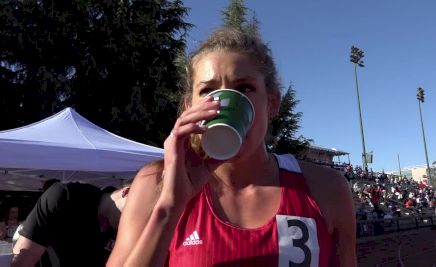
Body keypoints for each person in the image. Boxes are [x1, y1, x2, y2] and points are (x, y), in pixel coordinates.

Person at [107, 27, 356, 267]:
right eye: (208, 91)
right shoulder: (154, 184)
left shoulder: (327, 188)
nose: (224, 105)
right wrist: (169, 209)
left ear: (272, 103)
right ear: (188, 107)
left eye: (245, 88)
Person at [11, 181, 130, 267]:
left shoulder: (126, 229)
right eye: (138, 211)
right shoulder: (65, 196)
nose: (134, 221)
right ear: (127, 193)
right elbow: (22, 260)